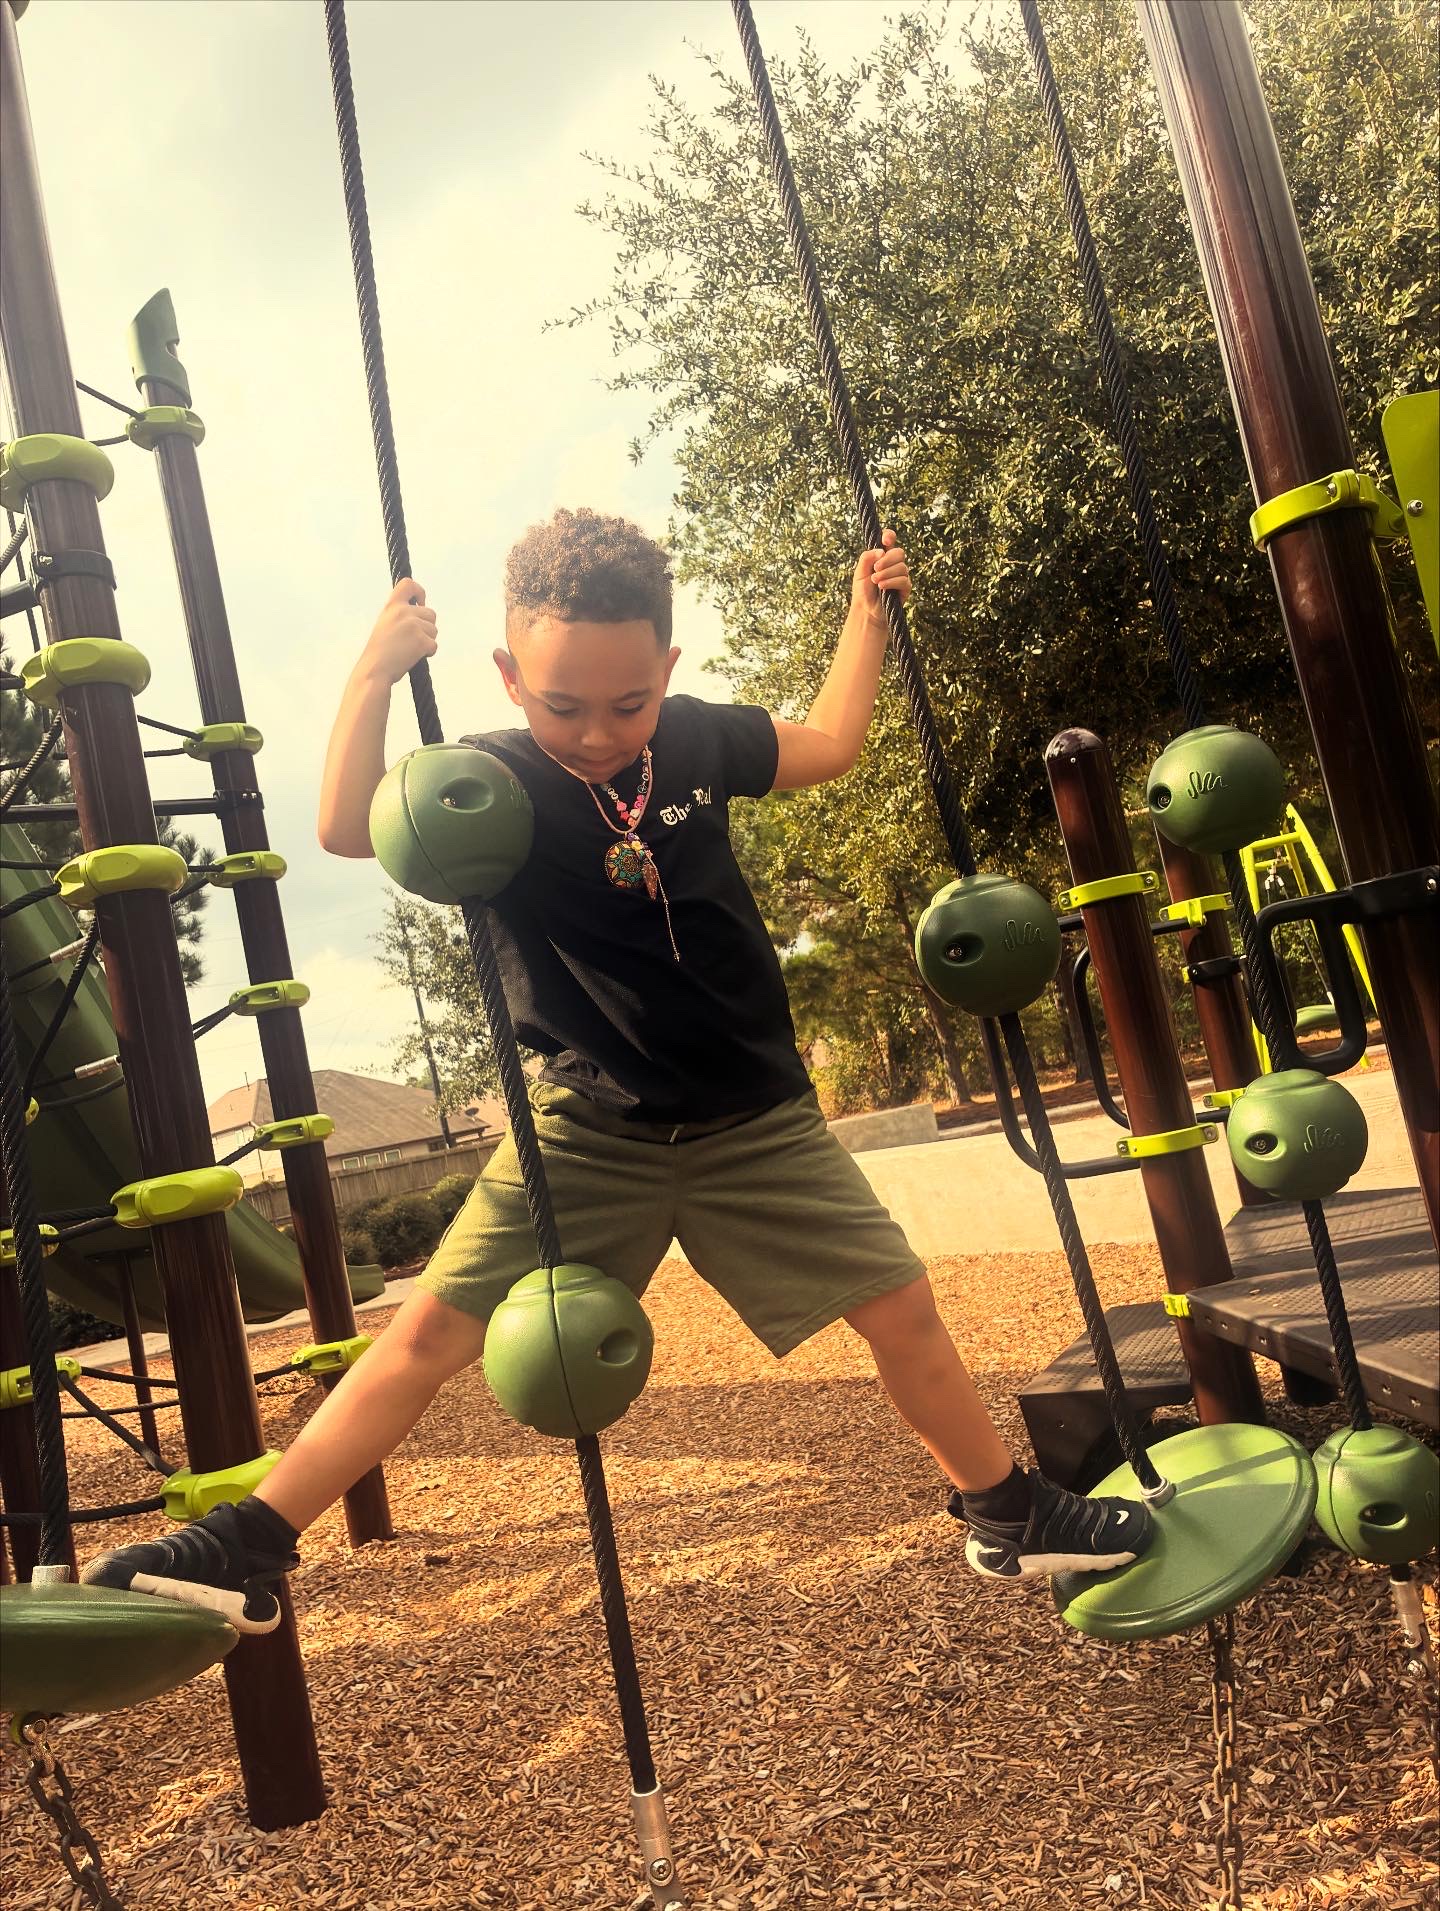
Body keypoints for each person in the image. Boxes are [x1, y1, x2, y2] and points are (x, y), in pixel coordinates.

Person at [85, 507, 1153, 1633]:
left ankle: (1006, 1510)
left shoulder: (694, 741)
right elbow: (350, 829)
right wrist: (373, 676)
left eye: (627, 702)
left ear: (668, 671)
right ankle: (244, 1542)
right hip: (586, 1131)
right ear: (507, 676)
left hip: (757, 1118)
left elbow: (832, 746)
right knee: (427, 1334)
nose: (598, 732)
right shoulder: (478, 787)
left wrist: (865, 620)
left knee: (901, 1308)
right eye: (563, 705)